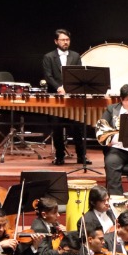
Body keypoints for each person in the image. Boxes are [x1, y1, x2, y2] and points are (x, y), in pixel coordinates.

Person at [40, 28, 90, 166]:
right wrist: (58, 87)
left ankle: (81, 156)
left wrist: (70, 88)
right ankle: (60, 156)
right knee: (56, 128)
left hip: (72, 97)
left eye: (67, 39)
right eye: (62, 40)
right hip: (56, 97)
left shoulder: (75, 56)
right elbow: (48, 76)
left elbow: (79, 74)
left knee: (78, 128)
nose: (65, 42)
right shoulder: (48, 57)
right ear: (56, 41)